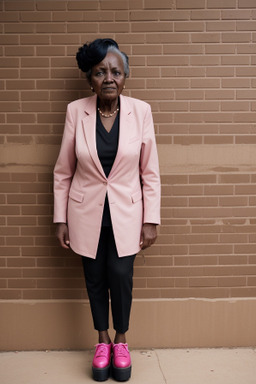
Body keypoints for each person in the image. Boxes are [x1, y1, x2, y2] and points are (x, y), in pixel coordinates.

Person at [53, 38, 161, 382]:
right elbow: (63, 171)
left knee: (120, 276)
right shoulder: (76, 112)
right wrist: (61, 219)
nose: (109, 77)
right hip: (86, 214)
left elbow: (150, 172)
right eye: (101, 72)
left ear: (125, 77)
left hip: (127, 216)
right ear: (90, 79)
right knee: (95, 279)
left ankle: (121, 340)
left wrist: (150, 219)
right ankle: (101, 341)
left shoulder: (141, 111)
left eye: (116, 71)